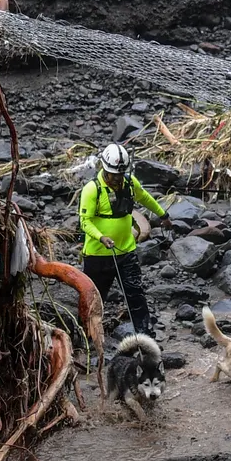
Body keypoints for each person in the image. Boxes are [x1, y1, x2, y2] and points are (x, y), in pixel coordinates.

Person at [79, 143, 167, 338]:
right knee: (94, 298)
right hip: (97, 255)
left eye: (120, 175)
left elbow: (144, 197)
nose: (116, 179)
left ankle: (144, 335)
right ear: (103, 168)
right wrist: (101, 237)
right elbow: (85, 222)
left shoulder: (129, 183)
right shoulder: (91, 190)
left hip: (126, 252)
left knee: (135, 293)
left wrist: (163, 214)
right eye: (112, 175)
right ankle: (86, 335)